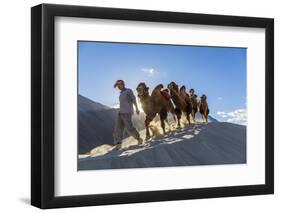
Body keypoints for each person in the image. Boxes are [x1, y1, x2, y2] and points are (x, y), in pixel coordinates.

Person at [113, 80, 143, 150]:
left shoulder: (128, 91)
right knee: (118, 129)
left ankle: (139, 139)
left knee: (129, 128)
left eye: (119, 85)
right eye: (117, 86)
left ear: (123, 84)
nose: (118, 87)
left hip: (127, 112)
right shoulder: (121, 93)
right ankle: (118, 144)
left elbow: (134, 99)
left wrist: (137, 108)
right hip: (120, 113)